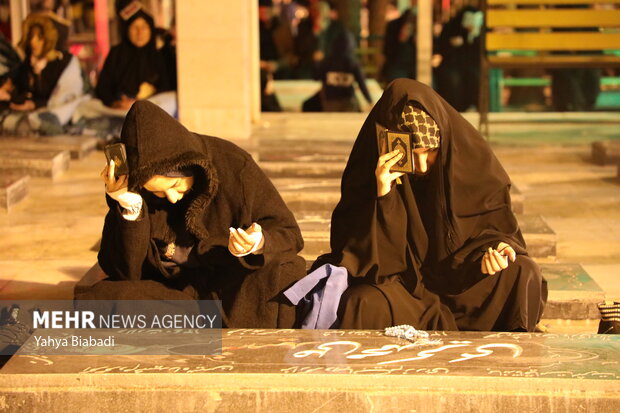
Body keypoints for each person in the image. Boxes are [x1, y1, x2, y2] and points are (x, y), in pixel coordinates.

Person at [313, 79, 547, 332]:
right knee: (362, 303)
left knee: (523, 272)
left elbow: (496, 229)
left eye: (430, 152)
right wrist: (383, 196)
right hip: (407, 290)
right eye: (413, 154)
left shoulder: (472, 160)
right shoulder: (367, 171)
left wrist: (493, 252)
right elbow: (371, 263)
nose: (423, 166)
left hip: (465, 284)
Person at [75, 101, 306, 328]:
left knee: (283, 271)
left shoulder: (235, 165)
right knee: (100, 299)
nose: (172, 198)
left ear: (189, 165)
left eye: (176, 185)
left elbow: (289, 234)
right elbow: (123, 272)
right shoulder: (135, 192)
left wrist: (257, 242)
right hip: (175, 292)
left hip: (233, 288)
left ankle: (199, 324)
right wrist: (129, 207)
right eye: (158, 192)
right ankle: (202, 324)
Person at [1, 12, 83, 135]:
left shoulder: (63, 63)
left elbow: (64, 98)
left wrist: (33, 104)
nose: (33, 42)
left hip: (60, 115)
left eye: (39, 38)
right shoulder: (28, 64)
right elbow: (21, 90)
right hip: (31, 117)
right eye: (31, 37)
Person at [95, 6, 174, 113]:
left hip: (153, 111)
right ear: (126, 30)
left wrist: (141, 102)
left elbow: (168, 88)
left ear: (151, 29)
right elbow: (103, 88)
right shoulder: (116, 54)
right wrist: (115, 103)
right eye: (134, 27)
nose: (139, 32)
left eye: (144, 27)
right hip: (119, 111)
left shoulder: (161, 55)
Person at [306, 30, 372, 112]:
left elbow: (316, 77)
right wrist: (370, 101)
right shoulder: (353, 64)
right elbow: (362, 83)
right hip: (348, 101)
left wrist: (316, 63)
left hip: (330, 101)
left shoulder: (328, 62)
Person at [434, 5, 483, 112]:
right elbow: (442, 48)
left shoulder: (480, 31)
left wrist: (473, 36)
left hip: (473, 65)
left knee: (476, 77)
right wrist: (453, 44)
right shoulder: (452, 27)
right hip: (453, 64)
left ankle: (475, 106)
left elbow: (479, 52)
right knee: (453, 79)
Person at [381, 8, 417, 84]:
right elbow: (387, 50)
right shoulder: (394, 26)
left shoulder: (420, 27)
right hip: (397, 64)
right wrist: (402, 39)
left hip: (415, 65)